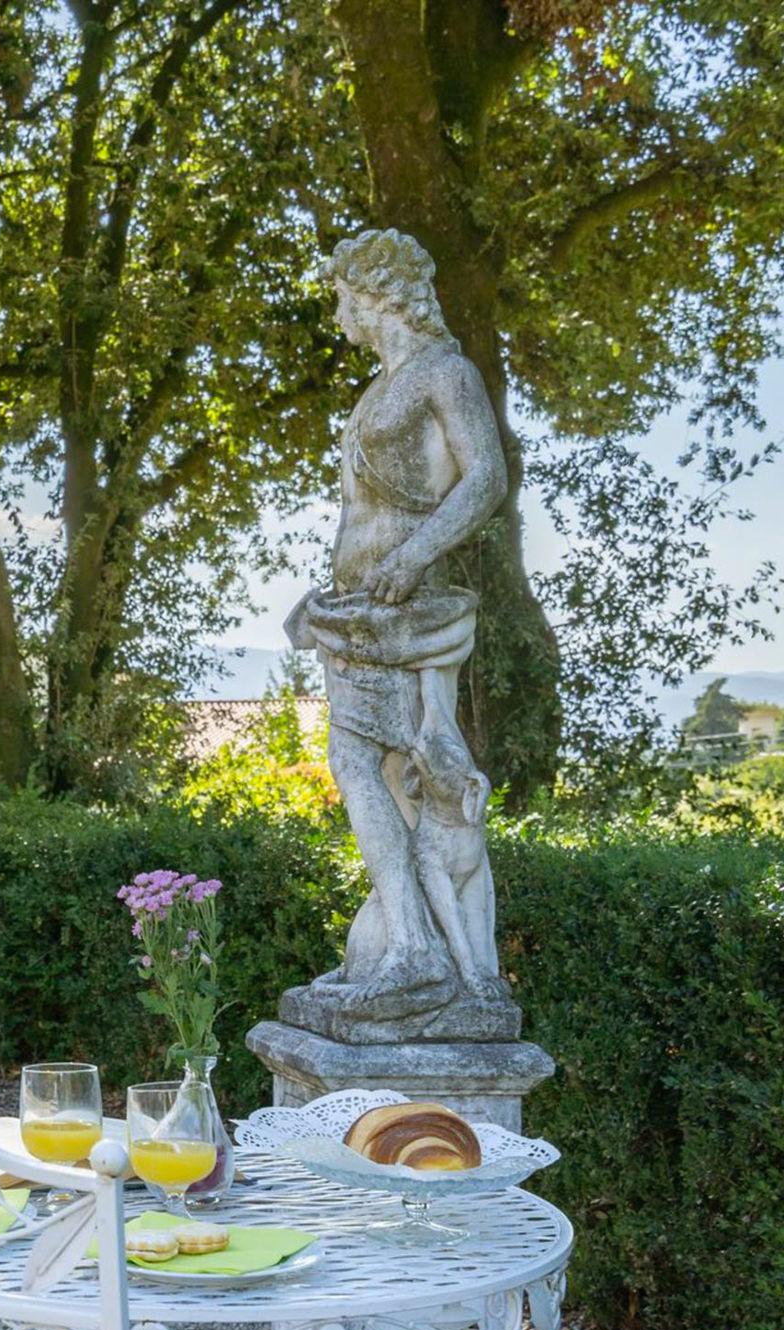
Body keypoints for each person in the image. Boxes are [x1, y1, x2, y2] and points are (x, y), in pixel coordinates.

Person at [286, 229, 508, 1010]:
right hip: (360, 610)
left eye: (344, 294)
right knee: (365, 767)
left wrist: (414, 557)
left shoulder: (445, 372)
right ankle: (401, 945)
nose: (338, 310)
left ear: (377, 293)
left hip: (405, 610)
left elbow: (485, 478)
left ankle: (416, 950)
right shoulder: (377, 390)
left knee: (380, 766)